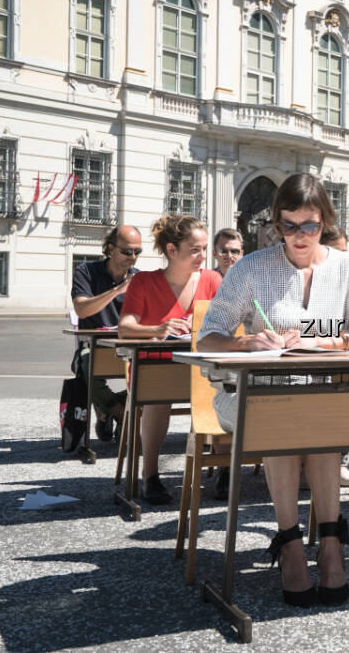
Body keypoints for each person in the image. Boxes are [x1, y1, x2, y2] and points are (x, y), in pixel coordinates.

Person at [199, 173, 349, 608]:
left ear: (325, 222)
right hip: (250, 396)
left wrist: (327, 341)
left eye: (310, 225)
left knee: (314, 416)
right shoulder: (252, 268)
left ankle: (330, 545)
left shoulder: (347, 268)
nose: (299, 236)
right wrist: (247, 341)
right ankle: (291, 545)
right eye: (288, 225)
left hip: (319, 396)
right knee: (285, 418)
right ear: (275, 224)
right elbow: (208, 338)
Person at [117, 215, 222, 505]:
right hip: (153, 364)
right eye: (195, 250)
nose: (202, 256)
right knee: (157, 398)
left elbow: (230, 321)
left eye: (204, 249)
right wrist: (158, 329)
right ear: (172, 250)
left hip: (199, 364)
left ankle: (225, 466)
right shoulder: (144, 281)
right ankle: (150, 474)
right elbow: (125, 327)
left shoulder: (213, 280)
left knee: (227, 387)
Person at [70, 225, 141, 442]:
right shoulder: (87, 271)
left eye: (138, 252)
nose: (133, 257)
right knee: (85, 367)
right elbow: (81, 309)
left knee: (154, 375)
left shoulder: (140, 278)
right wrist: (118, 290)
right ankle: (121, 413)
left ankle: (106, 411)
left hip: (128, 347)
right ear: (110, 249)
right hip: (94, 346)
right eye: (127, 251)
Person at [323, 228, 349, 488]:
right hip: (302, 362)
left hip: (337, 358)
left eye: (343, 252)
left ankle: (340, 461)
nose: (340, 258)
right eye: (335, 252)